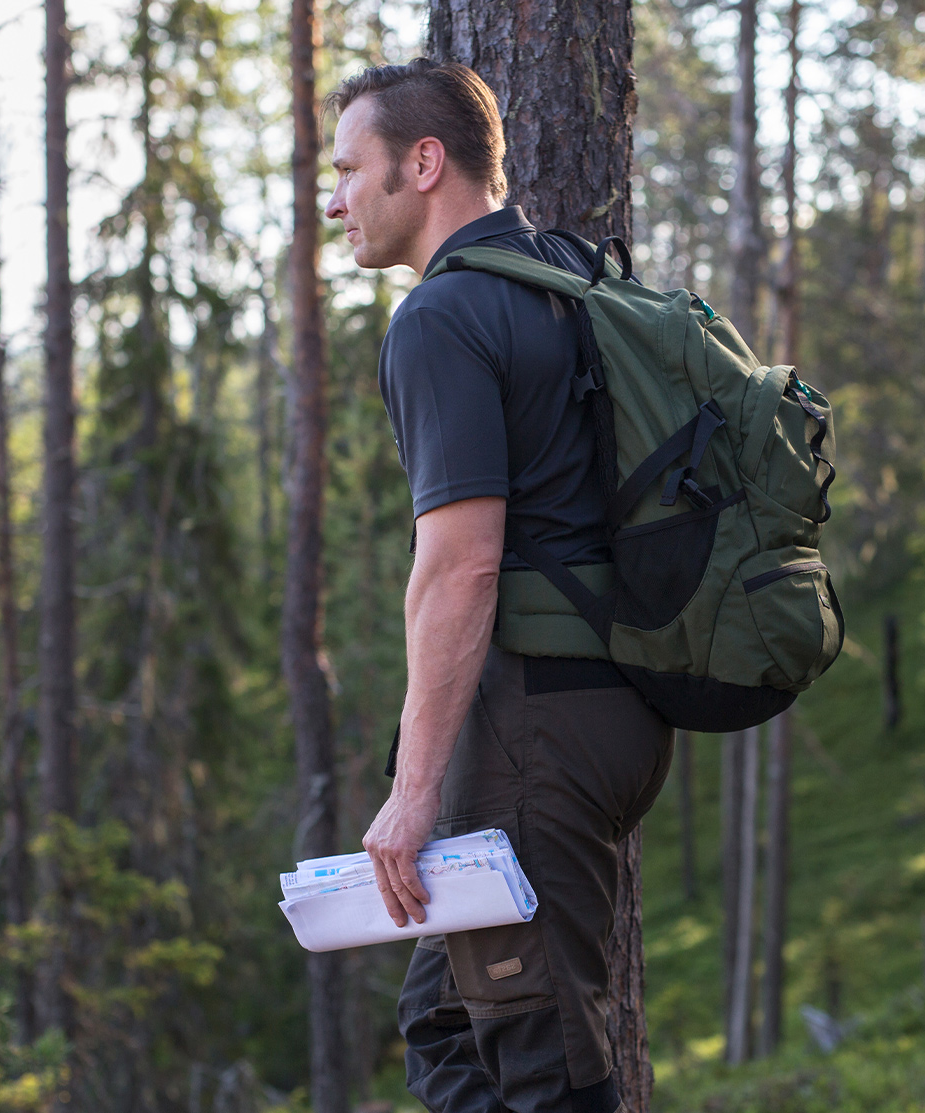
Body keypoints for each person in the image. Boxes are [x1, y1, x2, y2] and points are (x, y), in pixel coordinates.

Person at [323, 59, 674, 1113]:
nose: (334, 198)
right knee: (447, 1034)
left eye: (348, 169)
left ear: (422, 164)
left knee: (544, 1073)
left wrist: (413, 791)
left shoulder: (442, 318)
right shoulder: (567, 276)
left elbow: (463, 564)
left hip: (532, 736)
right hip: (614, 718)